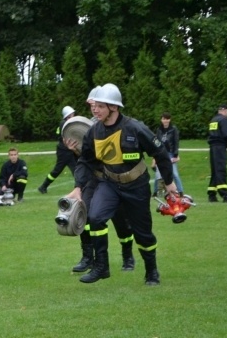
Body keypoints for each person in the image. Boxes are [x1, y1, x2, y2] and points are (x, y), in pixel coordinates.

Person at [66, 83, 177, 286]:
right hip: (109, 184)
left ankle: (151, 271)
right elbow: (85, 161)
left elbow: (160, 153)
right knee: (95, 217)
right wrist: (78, 187)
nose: (94, 109)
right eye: (94, 106)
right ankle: (102, 267)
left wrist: (169, 183)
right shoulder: (94, 132)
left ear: (114, 107)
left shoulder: (135, 128)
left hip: (137, 186)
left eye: (100, 106)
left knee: (143, 234)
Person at [38, 106, 77, 194]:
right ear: (68, 115)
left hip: (67, 150)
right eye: (72, 114)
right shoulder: (64, 123)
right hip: (64, 151)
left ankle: (43, 186)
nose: (74, 115)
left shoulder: (66, 122)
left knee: (74, 169)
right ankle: (43, 186)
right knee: (63, 170)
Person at [152, 112, 184, 195]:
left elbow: (176, 142)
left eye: (167, 119)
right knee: (158, 174)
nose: (165, 121)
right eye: (163, 119)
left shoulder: (173, 129)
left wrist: (175, 155)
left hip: (170, 153)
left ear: (169, 120)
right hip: (161, 153)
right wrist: (154, 157)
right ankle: (155, 192)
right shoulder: (159, 129)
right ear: (161, 120)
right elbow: (157, 142)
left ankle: (180, 191)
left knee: (174, 173)